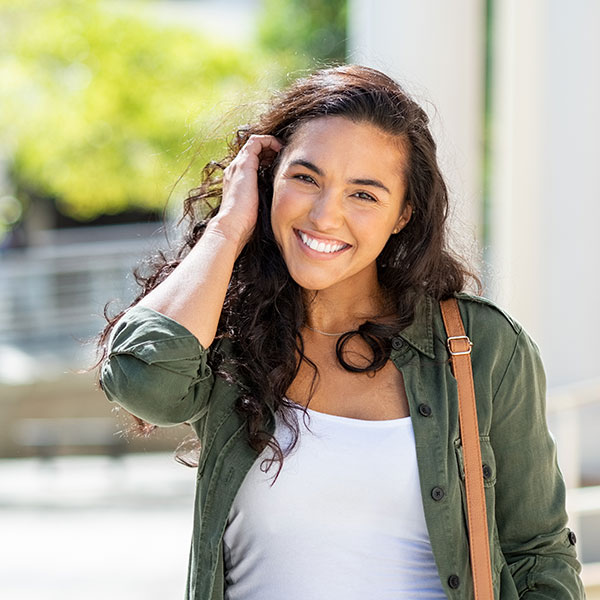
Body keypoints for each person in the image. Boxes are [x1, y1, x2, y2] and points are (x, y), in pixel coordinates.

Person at [96, 64, 585, 599]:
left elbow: (538, 557)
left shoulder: (481, 346)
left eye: (364, 194)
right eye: (305, 178)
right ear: (268, 178)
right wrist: (229, 227)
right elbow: (142, 384)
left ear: (403, 214)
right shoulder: (227, 334)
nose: (326, 216)